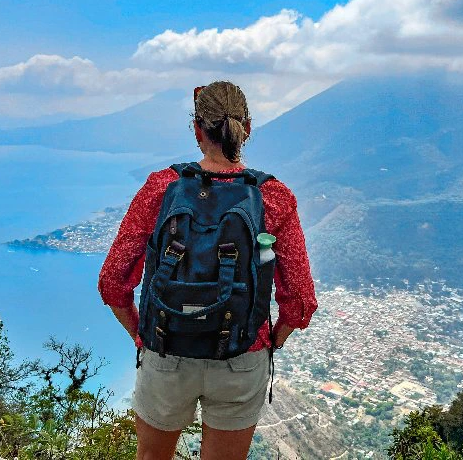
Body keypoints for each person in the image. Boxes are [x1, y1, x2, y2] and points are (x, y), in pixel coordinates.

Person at [98, 81, 318, 460]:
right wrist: (270, 340)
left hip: (166, 349)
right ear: (246, 127)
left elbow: (113, 280)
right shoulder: (274, 197)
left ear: (197, 129)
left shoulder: (161, 187)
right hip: (241, 355)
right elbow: (300, 300)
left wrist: (140, 333)